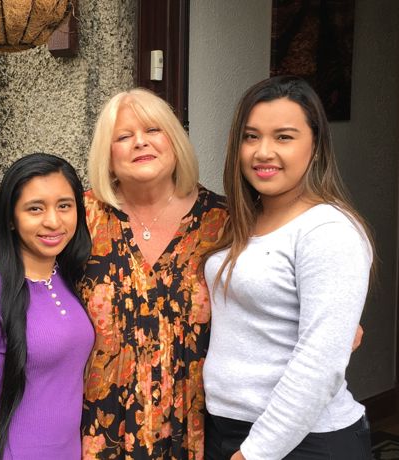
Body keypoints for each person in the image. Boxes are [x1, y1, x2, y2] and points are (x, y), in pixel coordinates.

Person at [202, 76, 374, 460]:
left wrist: (256, 453)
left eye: (284, 137)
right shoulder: (240, 222)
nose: (263, 152)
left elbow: (319, 365)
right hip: (228, 429)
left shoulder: (328, 230)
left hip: (302, 441)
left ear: (315, 146)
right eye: (251, 137)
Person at [80, 88, 229, 459]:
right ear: (108, 156)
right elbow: (33, 272)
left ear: (175, 141)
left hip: (192, 427)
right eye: (124, 136)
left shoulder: (222, 222)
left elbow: (265, 285)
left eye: (153, 130)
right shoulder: (82, 217)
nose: (140, 143)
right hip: (100, 428)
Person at [0, 153, 94, 460]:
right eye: (35, 209)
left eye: (64, 206)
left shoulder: (69, 278)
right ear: (11, 219)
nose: (53, 221)